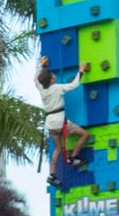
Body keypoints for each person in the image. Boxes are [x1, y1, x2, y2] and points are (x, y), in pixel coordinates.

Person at [37, 60, 90, 188]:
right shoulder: (56, 88)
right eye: (53, 76)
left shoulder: (42, 90)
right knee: (85, 135)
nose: (55, 76)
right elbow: (74, 84)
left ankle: (52, 176)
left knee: (57, 149)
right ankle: (73, 158)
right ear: (50, 80)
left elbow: (36, 79)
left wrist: (42, 66)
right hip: (61, 121)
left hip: (50, 123)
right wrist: (81, 70)